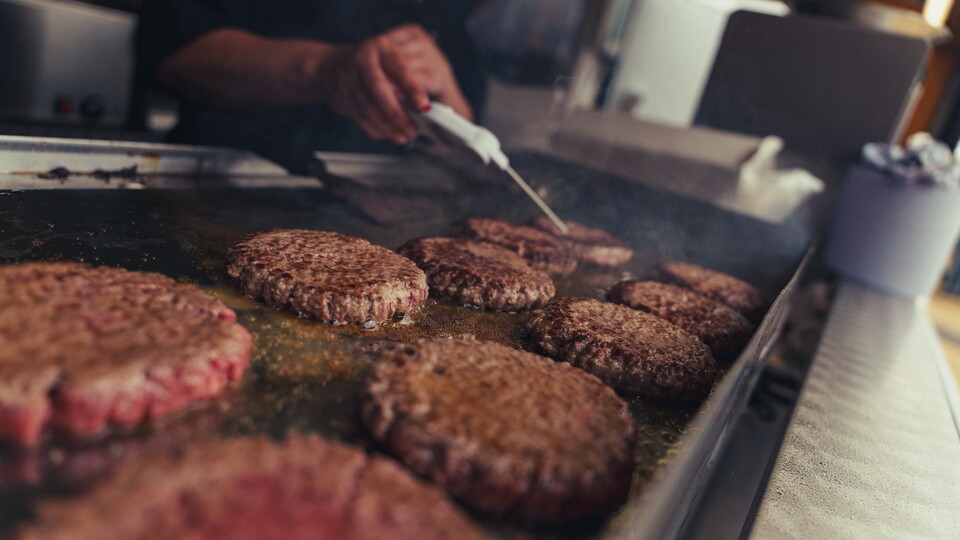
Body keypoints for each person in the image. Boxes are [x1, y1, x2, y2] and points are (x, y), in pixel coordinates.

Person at [136, 1, 487, 173]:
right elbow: (175, 58)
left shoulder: (448, 11)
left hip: (379, 207)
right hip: (211, 178)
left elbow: (467, 142)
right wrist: (323, 70)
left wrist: (444, 102)